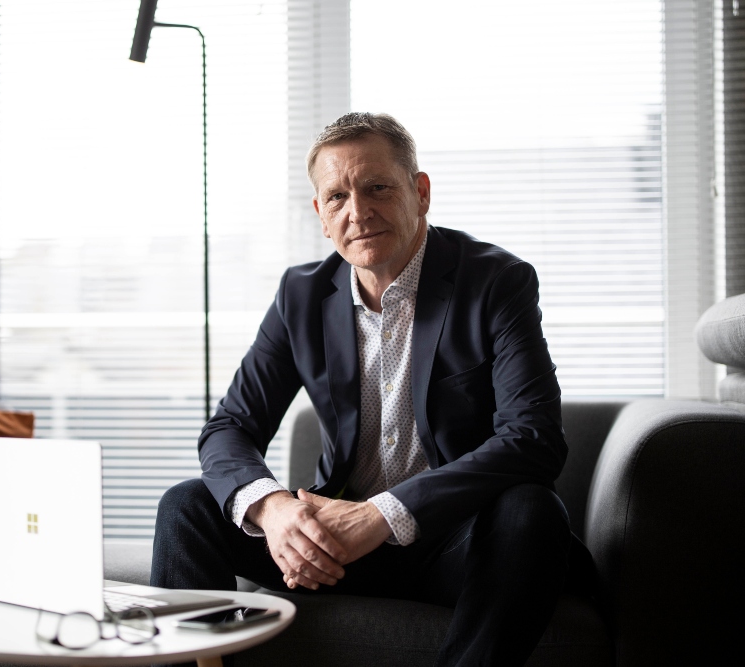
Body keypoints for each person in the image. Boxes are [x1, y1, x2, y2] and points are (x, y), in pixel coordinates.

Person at [151, 112, 582, 666]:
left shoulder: (495, 281)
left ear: (419, 191)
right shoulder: (300, 295)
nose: (359, 212)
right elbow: (230, 427)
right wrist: (276, 509)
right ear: (320, 215)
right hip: (339, 546)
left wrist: (382, 515)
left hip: (456, 544)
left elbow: (534, 439)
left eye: (377, 187)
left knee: (532, 510)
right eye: (337, 197)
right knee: (186, 505)